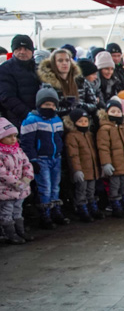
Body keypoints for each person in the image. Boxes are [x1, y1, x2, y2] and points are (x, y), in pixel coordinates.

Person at [21, 86, 69, 228]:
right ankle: (45, 214)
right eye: (47, 104)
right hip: (41, 159)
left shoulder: (57, 120)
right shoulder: (31, 120)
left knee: (55, 187)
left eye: (53, 105)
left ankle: (56, 211)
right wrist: (33, 160)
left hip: (56, 158)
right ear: (39, 104)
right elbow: (27, 143)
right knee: (45, 187)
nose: (50, 107)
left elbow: (60, 138)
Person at [97, 98, 124, 218]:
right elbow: (103, 147)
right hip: (114, 164)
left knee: (123, 185)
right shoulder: (105, 129)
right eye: (113, 111)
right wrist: (106, 163)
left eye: (118, 111)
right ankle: (116, 206)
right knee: (114, 186)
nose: (116, 114)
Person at [63, 107, 103, 222]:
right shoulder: (72, 136)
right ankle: (82, 209)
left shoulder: (89, 134)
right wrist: (76, 170)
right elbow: (73, 155)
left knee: (91, 190)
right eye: (80, 121)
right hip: (82, 170)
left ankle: (93, 208)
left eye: (85, 121)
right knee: (81, 191)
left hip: (92, 169)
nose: (83, 124)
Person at [0, 117, 35, 244]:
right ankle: (10, 234)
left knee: (18, 210)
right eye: (9, 136)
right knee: (6, 212)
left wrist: (27, 177)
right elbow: (2, 172)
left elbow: (27, 164)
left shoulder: (18, 150)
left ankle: (20, 231)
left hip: (20, 189)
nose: (13, 139)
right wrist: (16, 182)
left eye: (15, 136)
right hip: (6, 190)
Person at [0, 35, 41, 128]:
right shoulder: (5, 69)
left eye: (26, 49)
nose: (22, 52)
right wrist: (28, 114)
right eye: (18, 48)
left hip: (40, 118)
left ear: (32, 51)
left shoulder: (40, 68)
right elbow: (6, 97)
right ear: (13, 50)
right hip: (17, 121)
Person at [37, 48, 81, 121]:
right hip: (57, 122)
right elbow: (47, 108)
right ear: (54, 63)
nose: (64, 63)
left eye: (67, 60)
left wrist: (81, 106)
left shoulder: (80, 81)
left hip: (81, 121)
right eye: (60, 61)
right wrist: (69, 107)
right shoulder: (48, 85)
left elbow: (93, 102)